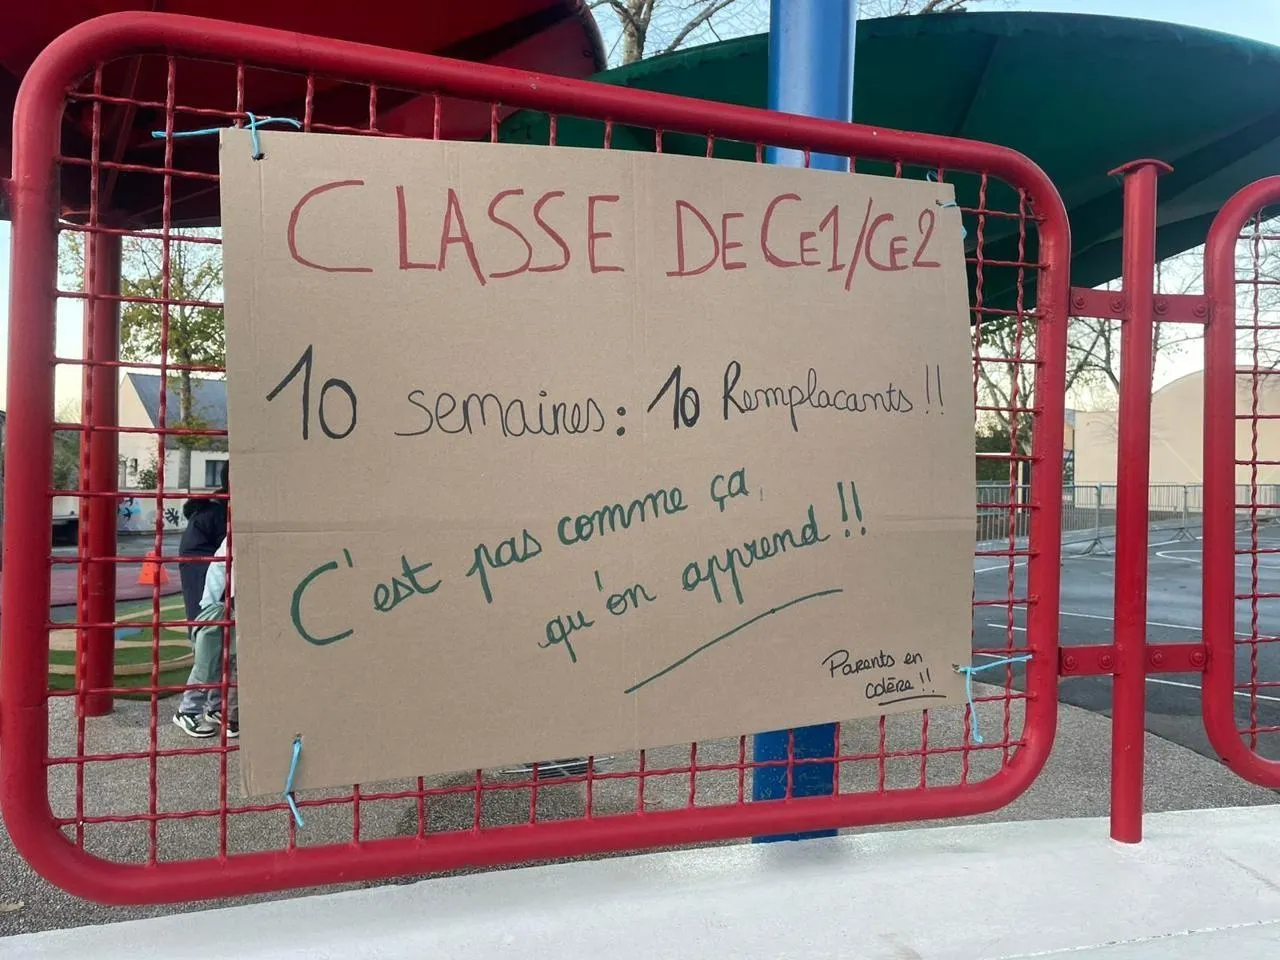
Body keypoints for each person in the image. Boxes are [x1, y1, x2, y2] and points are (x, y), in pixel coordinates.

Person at [173, 534, 237, 738]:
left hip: (230, 602)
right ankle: (188, 710)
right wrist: (209, 604)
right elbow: (219, 567)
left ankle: (216, 706)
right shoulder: (235, 536)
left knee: (230, 658)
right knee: (208, 659)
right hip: (222, 604)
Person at [178, 465, 229, 640]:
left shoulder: (215, 504)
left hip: (196, 560)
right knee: (209, 612)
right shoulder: (220, 510)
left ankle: (200, 639)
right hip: (202, 562)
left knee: (202, 609)